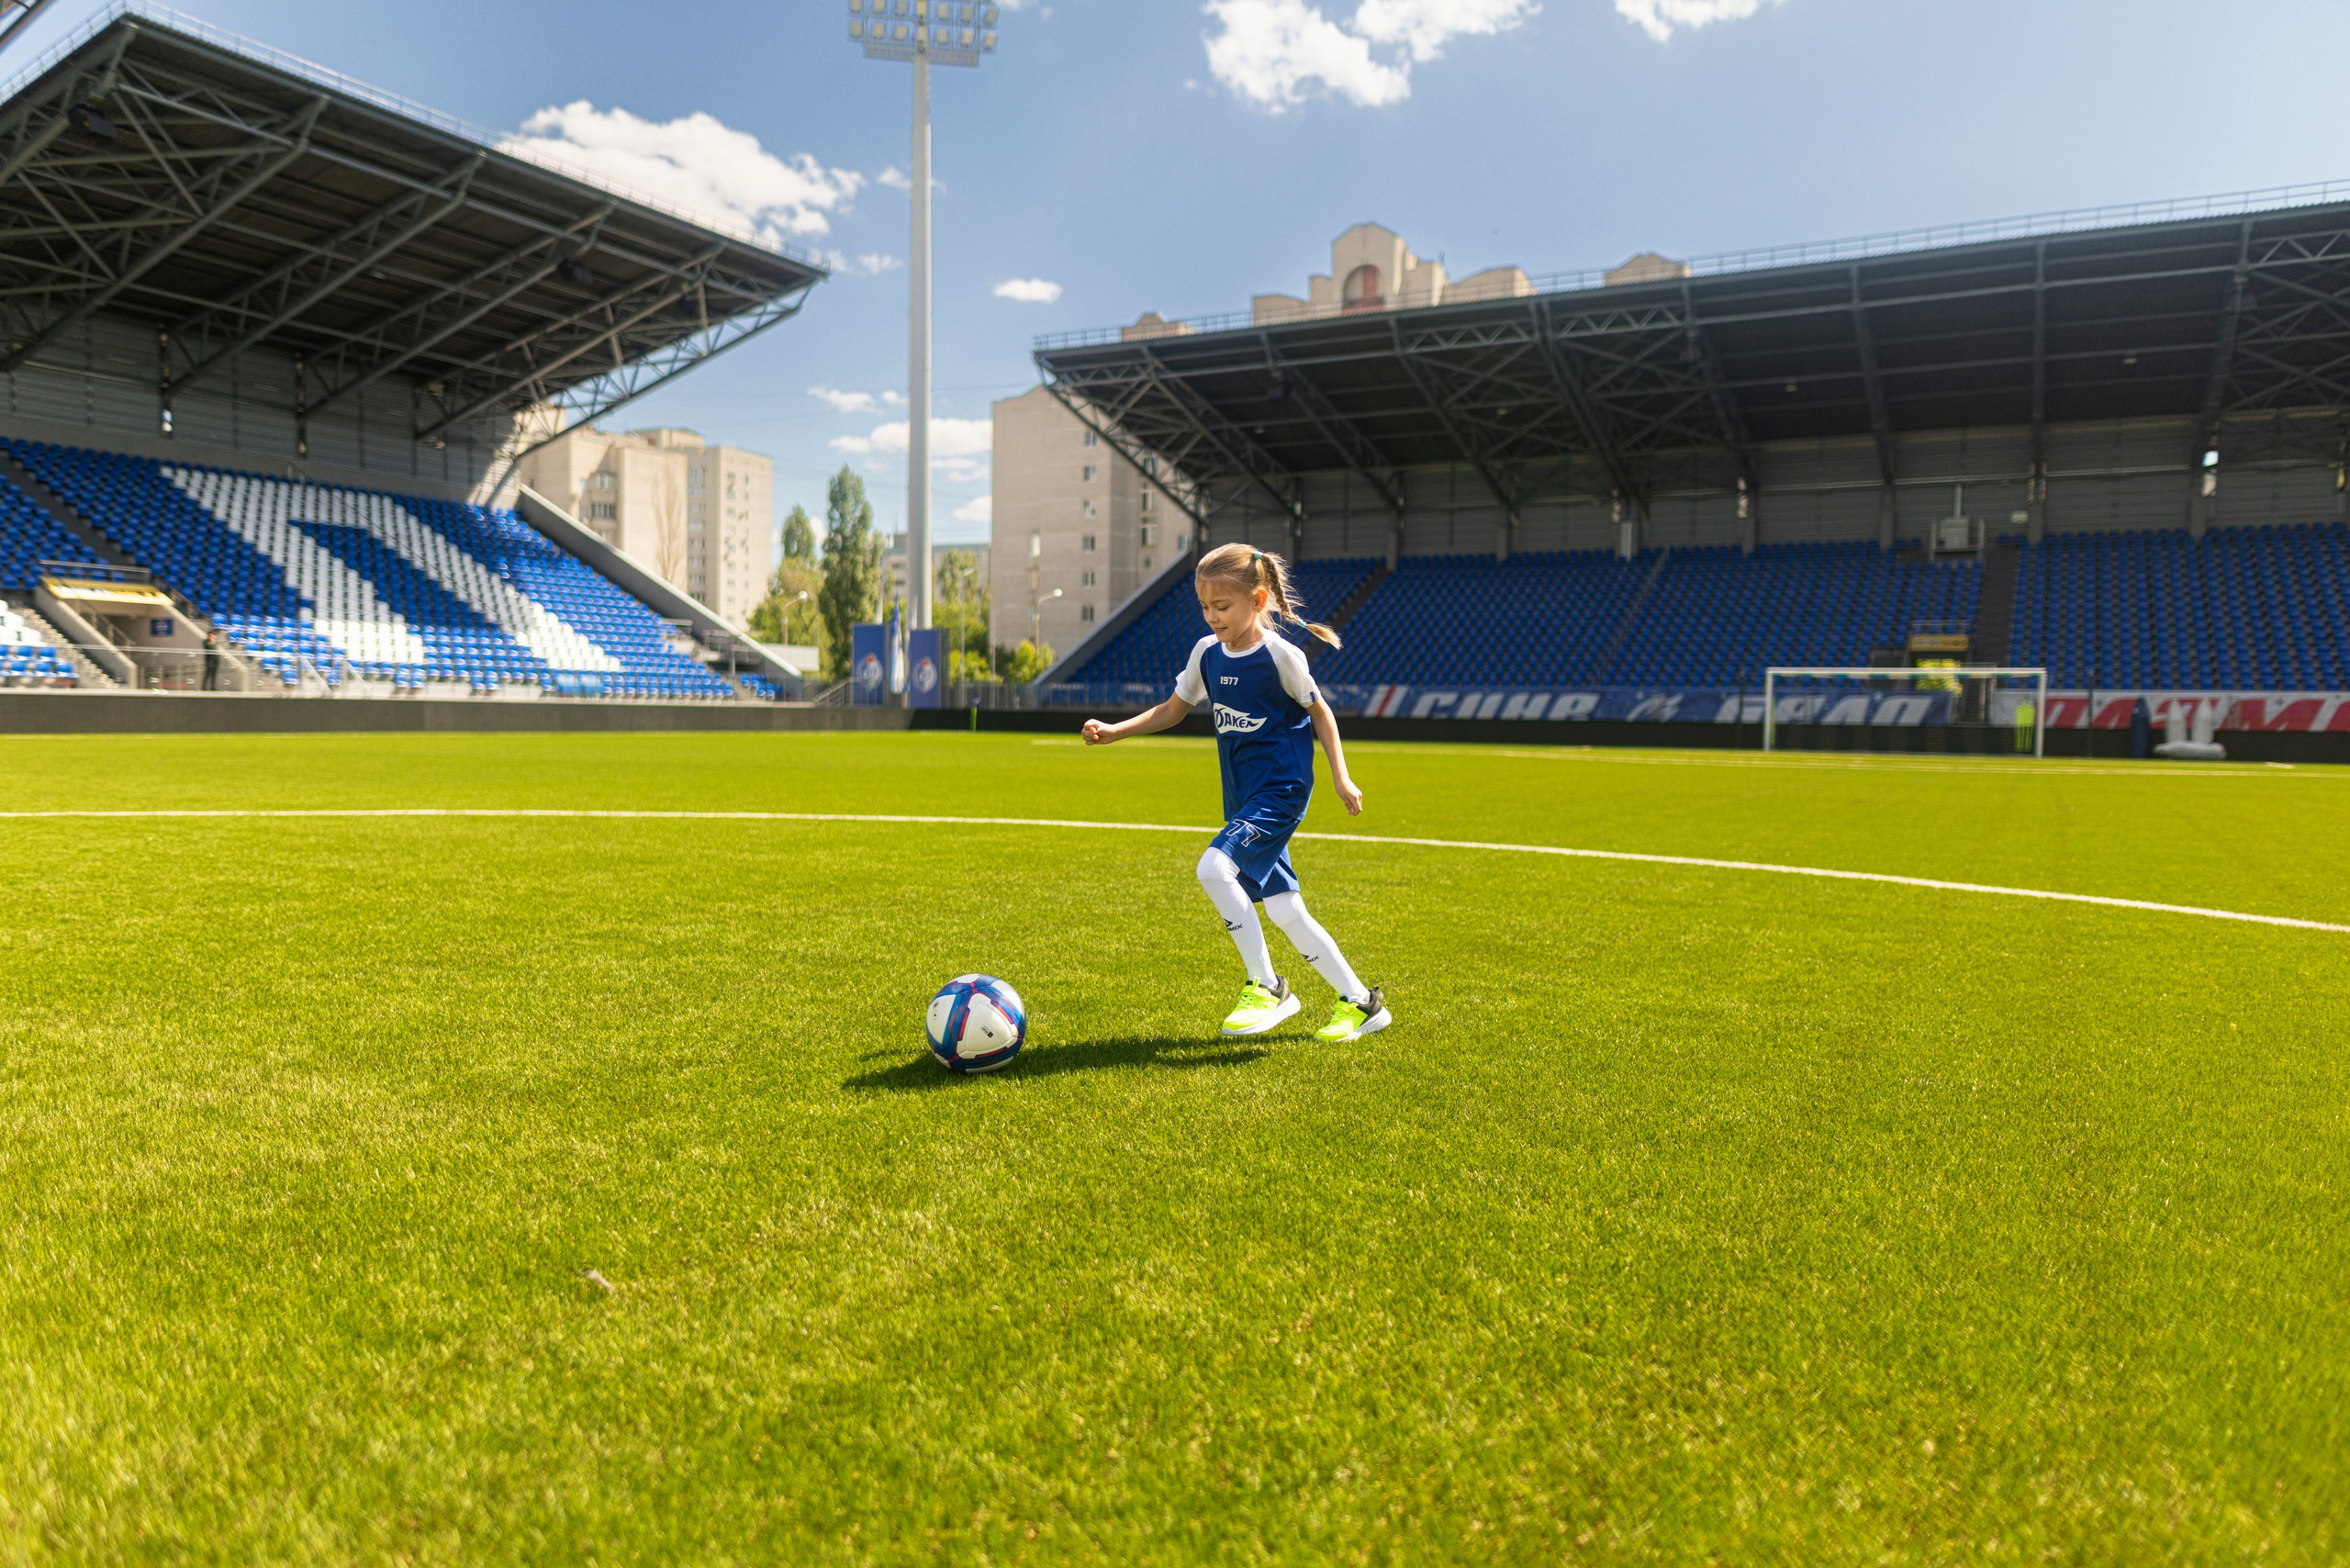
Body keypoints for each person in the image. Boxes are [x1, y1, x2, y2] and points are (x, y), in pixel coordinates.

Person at [1083, 543, 1391, 1043]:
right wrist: (1117, 731)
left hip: (1282, 790)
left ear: (1258, 599)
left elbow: (1321, 712)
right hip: (1245, 798)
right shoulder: (1206, 654)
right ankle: (1362, 1004)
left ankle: (1269, 989)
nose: (1212, 617)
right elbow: (1173, 708)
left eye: (1222, 607)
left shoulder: (1280, 656)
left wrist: (1341, 776)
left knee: (1213, 867)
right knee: (1287, 909)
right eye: (1204, 606)